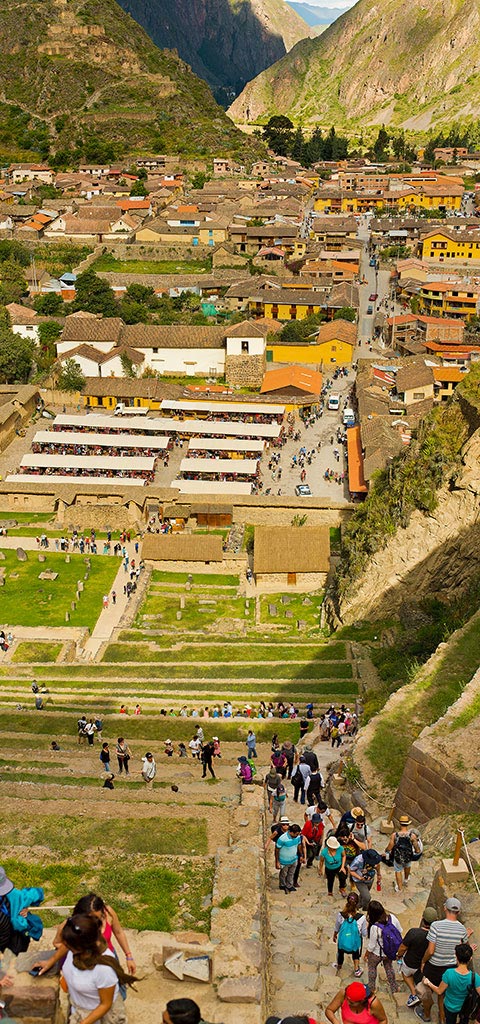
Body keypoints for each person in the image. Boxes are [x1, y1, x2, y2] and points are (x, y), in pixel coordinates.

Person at [39, 913, 137, 1023]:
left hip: (100, 1016)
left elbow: (106, 1004)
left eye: (68, 943)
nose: (63, 944)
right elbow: (65, 946)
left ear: (80, 947)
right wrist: (50, 961)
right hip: (78, 1007)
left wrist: (83, 1022)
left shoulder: (103, 970)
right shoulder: (76, 949)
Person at [36, 892, 137, 977]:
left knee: (119, 987)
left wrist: (129, 956)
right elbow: (58, 943)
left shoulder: (108, 913)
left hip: (108, 957)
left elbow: (119, 932)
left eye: (99, 917)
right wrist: (77, 948)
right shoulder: (71, 925)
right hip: (85, 962)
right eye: (91, 918)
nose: (97, 922)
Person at [415, 898, 471, 1023]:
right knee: (442, 992)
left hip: (434, 966)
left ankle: (427, 1014)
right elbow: (464, 945)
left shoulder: (436, 926)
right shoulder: (462, 929)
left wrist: (423, 962)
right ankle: (442, 1017)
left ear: (445, 908)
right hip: (450, 966)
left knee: (426, 990)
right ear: (459, 911)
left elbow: (430, 951)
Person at [423, 943, 480, 1024]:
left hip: (450, 1006)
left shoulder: (449, 973)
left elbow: (439, 991)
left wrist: (428, 983)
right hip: (466, 1007)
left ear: (456, 957)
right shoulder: (475, 977)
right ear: (470, 959)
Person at [396, 907, 438, 1007]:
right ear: (435, 921)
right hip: (423, 966)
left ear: (423, 918)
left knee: (406, 975)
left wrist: (399, 955)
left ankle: (414, 992)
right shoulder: (435, 937)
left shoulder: (413, 932)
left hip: (410, 962)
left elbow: (402, 948)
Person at [365, 900, 401, 996]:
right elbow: (400, 931)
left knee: (372, 968)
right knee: (389, 968)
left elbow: (372, 945)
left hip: (377, 953)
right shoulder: (392, 918)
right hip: (389, 952)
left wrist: (366, 954)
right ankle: (394, 987)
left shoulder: (375, 927)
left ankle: (372, 988)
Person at [333, 892, 367, 977]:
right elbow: (364, 933)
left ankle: (339, 965)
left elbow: (337, 927)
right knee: (355, 953)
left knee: (340, 951)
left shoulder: (341, 915)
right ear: (357, 903)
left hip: (343, 941)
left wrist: (335, 935)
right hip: (354, 943)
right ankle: (356, 969)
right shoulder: (361, 917)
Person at [385, 815, 421, 893]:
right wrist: (417, 851)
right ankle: (406, 879)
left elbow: (390, 846)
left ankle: (400, 888)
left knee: (398, 870)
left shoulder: (395, 835)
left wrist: (387, 850)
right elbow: (416, 846)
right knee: (408, 865)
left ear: (400, 823)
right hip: (408, 856)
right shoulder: (412, 835)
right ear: (408, 824)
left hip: (398, 856)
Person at [275, 824, 306, 893]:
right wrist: (277, 861)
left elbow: (299, 845)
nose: (298, 835)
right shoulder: (282, 839)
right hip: (284, 861)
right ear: (291, 832)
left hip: (294, 859)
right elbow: (277, 849)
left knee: (291, 873)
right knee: (283, 873)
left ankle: (289, 885)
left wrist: (301, 855)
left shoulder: (297, 837)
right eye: (296, 834)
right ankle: (282, 885)